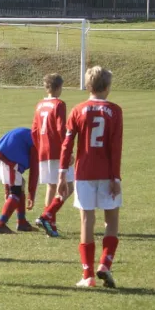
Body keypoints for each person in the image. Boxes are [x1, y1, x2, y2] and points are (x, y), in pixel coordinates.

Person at [58, 66, 123, 288]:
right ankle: (105, 264)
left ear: (88, 86)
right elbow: (116, 147)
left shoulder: (77, 110)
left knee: (87, 220)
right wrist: (116, 178)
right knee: (111, 219)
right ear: (107, 87)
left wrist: (61, 175)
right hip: (107, 173)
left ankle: (87, 275)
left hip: (83, 173)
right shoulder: (115, 111)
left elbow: (67, 145)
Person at [31, 74, 74, 237]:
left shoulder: (40, 105)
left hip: (43, 150)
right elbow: (61, 129)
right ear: (58, 88)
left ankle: (51, 224)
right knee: (69, 187)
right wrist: (68, 151)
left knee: (51, 186)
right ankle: (46, 217)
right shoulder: (59, 104)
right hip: (57, 150)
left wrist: (40, 147)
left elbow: (34, 130)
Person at [0, 127, 39, 234]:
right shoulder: (37, 140)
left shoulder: (28, 133)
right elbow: (34, 171)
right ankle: (0, 224)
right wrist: (31, 195)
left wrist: (7, 190)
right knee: (16, 192)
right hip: (8, 159)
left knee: (20, 184)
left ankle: (22, 222)